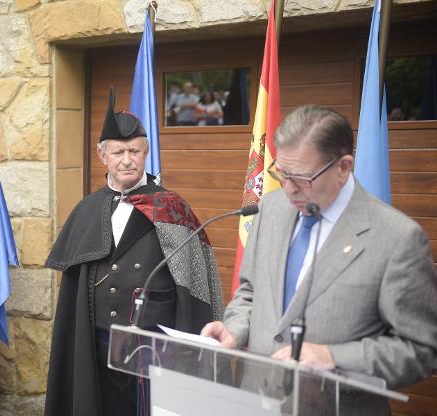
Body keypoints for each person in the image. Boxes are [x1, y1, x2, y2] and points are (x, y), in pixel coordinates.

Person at [201, 105, 437, 414]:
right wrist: (234, 328)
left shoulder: (397, 238)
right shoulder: (270, 208)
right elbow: (250, 293)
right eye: (281, 173)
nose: (288, 189)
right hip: (256, 402)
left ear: (344, 167)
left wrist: (333, 358)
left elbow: (421, 350)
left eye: (302, 178)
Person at [45, 87, 223, 416]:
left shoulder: (172, 208)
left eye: (135, 151)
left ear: (146, 153)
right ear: (103, 156)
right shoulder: (87, 210)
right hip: (97, 346)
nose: (127, 160)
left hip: (154, 349)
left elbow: (197, 282)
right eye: (118, 153)